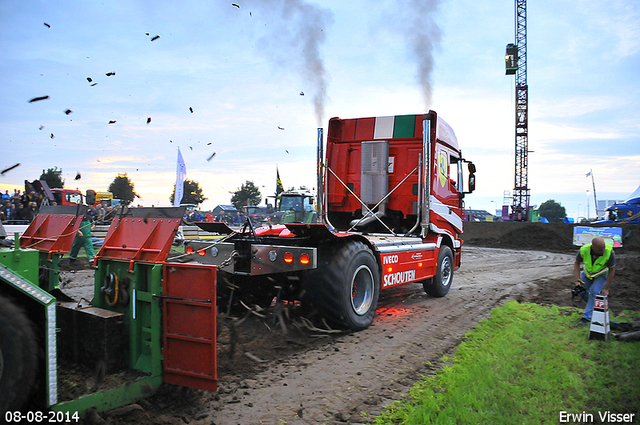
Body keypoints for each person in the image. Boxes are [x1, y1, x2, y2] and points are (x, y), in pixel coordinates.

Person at [573, 237, 616, 325]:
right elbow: (577, 263)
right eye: (600, 250)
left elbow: (612, 270)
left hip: (601, 274)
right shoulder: (583, 250)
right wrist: (578, 279)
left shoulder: (610, 252)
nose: (603, 251)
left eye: (603, 248)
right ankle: (596, 306)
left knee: (594, 292)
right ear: (593, 247)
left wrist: (606, 288)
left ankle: (586, 317)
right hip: (587, 274)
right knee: (581, 291)